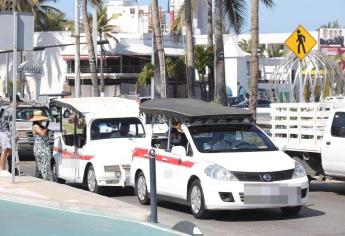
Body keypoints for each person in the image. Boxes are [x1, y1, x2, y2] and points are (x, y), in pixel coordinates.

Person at [0, 95, 22, 175]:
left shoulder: (6, 108)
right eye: (18, 102)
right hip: (6, 132)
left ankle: (10, 170)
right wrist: (15, 135)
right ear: (15, 101)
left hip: (3, 131)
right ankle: (2, 170)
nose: (19, 104)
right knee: (5, 150)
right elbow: (11, 124)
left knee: (9, 151)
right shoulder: (12, 110)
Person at [30, 110, 53, 181]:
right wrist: (46, 128)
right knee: (44, 165)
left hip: (44, 147)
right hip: (40, 148)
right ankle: (45, 179)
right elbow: (42, 134)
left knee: (44, 165)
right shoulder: (36, 126)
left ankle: (45, 179)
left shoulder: (40, 125)